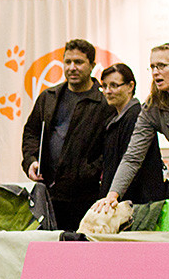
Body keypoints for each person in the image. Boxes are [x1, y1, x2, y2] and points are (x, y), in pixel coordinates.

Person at [94, 43, 169, 241]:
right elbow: (132, 157)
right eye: (153, 67)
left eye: (162, 66)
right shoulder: (152, 108)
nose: (156, 72)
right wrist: (113, 195)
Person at [21, 38, 114, 231]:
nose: (72, 67)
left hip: (87, 196)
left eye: (79, 62)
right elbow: (31, 132)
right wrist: (30, 161)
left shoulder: (104, 102)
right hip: (48, 194)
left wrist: (91, 171)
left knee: (82, 252)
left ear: (92, 66)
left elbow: (111, 146)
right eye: (68, 62)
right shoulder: (49, 97)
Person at [98, 63, 169, 204]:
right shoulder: (114, 119)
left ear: (130, 86)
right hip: (120, 200)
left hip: (135, 204)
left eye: (114, 85)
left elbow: (132, 163)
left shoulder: (136, 117)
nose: (108, 91)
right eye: (104, 86)